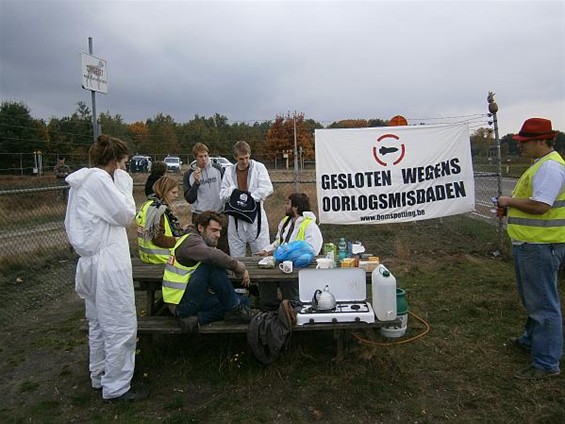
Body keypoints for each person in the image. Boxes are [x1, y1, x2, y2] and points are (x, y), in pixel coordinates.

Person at [64, 134, 147, 402]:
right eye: (123, 163)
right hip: (107, 264)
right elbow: (125, 215)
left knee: (99, 323)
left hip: (92, 262)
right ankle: (117, 387)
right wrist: (124, 184)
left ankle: (99, 374)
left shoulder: (81, 184)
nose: (124, 168)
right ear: (114, 161)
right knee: (120, 324)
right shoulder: (100, 181)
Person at [497, 117, 565, 380]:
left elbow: (540, 205)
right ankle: (531, 340)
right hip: (536, 243)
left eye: (525, 142)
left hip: (539, 246)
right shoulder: (543, 165)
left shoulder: (549, 168)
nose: (520, 147)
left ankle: (546, 362)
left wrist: (508, 200)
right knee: (537, 299)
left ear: (542, 141)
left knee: (543, 305)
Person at [162, 211, 254, 332]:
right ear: (200, 227)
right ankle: (235, 309)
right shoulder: (192, 242)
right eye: (214, 230)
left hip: (189, 298)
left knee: (244, 302)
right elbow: (213, 256)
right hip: (181, 304)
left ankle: (198, 319)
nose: (218, 235)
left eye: (220, 231)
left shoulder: (196, 239)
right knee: (212, 266)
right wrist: (240, 268)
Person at [257, 193, 323, 310]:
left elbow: (313, 249)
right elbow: (279, 242)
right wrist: (266, 250)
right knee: (264, 278)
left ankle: (293, 309)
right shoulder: (285, 221)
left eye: (288, 203)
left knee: (288, 281)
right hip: (281, 262)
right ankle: (270, 311)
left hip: (299, 266)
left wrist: (293, 256)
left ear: (296, 207)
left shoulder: (310, 225)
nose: (285, 206)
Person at [220, 140, 273, 257]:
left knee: (262, 254)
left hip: (256, 217)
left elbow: (267, 188)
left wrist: (249, 198)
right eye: (241, 159)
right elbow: (222, 193)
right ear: (235, 157)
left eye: (247, 158)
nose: (244, 161)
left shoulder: (259, 168)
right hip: (236, 219)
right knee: (236, 256)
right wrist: (234, 193)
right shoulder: (229, 171)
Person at [183, 142, 229, 253]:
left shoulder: (218, 169)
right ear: (195, 158)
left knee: (222, 246)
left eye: (206, 156)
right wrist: (196, 183)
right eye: (200, 156)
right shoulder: (189, 174)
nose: (204, 159)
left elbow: (226, 189)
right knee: (202, 247)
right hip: (200, 214)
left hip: (218, 213)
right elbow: (189, 198)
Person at [136, 175, 184, 264]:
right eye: (173, 193)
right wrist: (180, 240)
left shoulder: (148, 205)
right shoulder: (158, 210)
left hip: (148, 256)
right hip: (162, 258)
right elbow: (158, 239)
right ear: (164, 191)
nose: (176, 196)